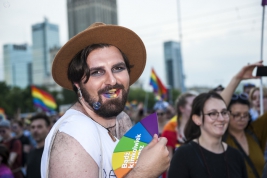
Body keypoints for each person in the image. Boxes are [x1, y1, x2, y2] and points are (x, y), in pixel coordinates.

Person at [41, 22, 170, 178]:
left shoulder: (121, 121)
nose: (112, 80)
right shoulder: (75, 134)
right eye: (97, 72)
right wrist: (143, 173)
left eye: (118, 68)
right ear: (77, 84)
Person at [168, 92, 248, 178]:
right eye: (212, 113)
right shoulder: (183, 155)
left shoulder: (236, 156)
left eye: (224, 112)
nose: (221, 119)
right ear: (197, 119)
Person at [223, 93, 267, 178]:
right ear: (226, 115)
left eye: (246, 114)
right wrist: (236, 79)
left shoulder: (255, 132)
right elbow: (215, 107)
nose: (242, 119)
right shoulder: (218, 138)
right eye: (236, 115)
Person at [26, 114, 51, 178]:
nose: (35, 130)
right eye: (33, 127)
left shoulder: (53, 152)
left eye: (39, 127)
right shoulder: (31, 153)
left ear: (49, 128)